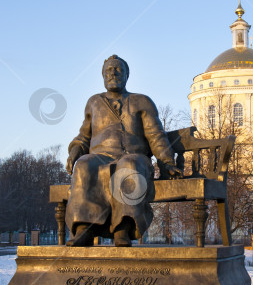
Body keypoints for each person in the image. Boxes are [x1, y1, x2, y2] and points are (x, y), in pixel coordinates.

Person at [65, 55, 182, 246]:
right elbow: (84, 136)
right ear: (102, 76)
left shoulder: (141, 101)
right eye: (108, 70)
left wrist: (167, 162)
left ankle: (123, 228)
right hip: (99, 158)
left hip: (134, 158)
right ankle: (84, 228)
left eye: (118, 69)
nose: (113, 73)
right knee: (84, 164)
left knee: (128, 165)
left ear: (127, 75)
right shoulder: (94, 102)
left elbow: (155, 135)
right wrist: (75, 150)